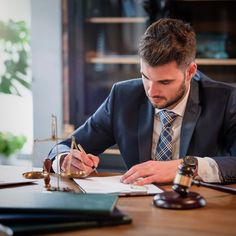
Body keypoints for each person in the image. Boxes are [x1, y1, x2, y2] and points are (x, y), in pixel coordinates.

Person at [48, 18, 236, 185]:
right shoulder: (123, 96)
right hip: (139, 209)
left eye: (165, 82)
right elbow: (63, 147)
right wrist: (64, 160)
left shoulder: (226, 99)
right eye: (145, 77)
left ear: (190, 72)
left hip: (202, 209)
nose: (151, 91)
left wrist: (186, 166)